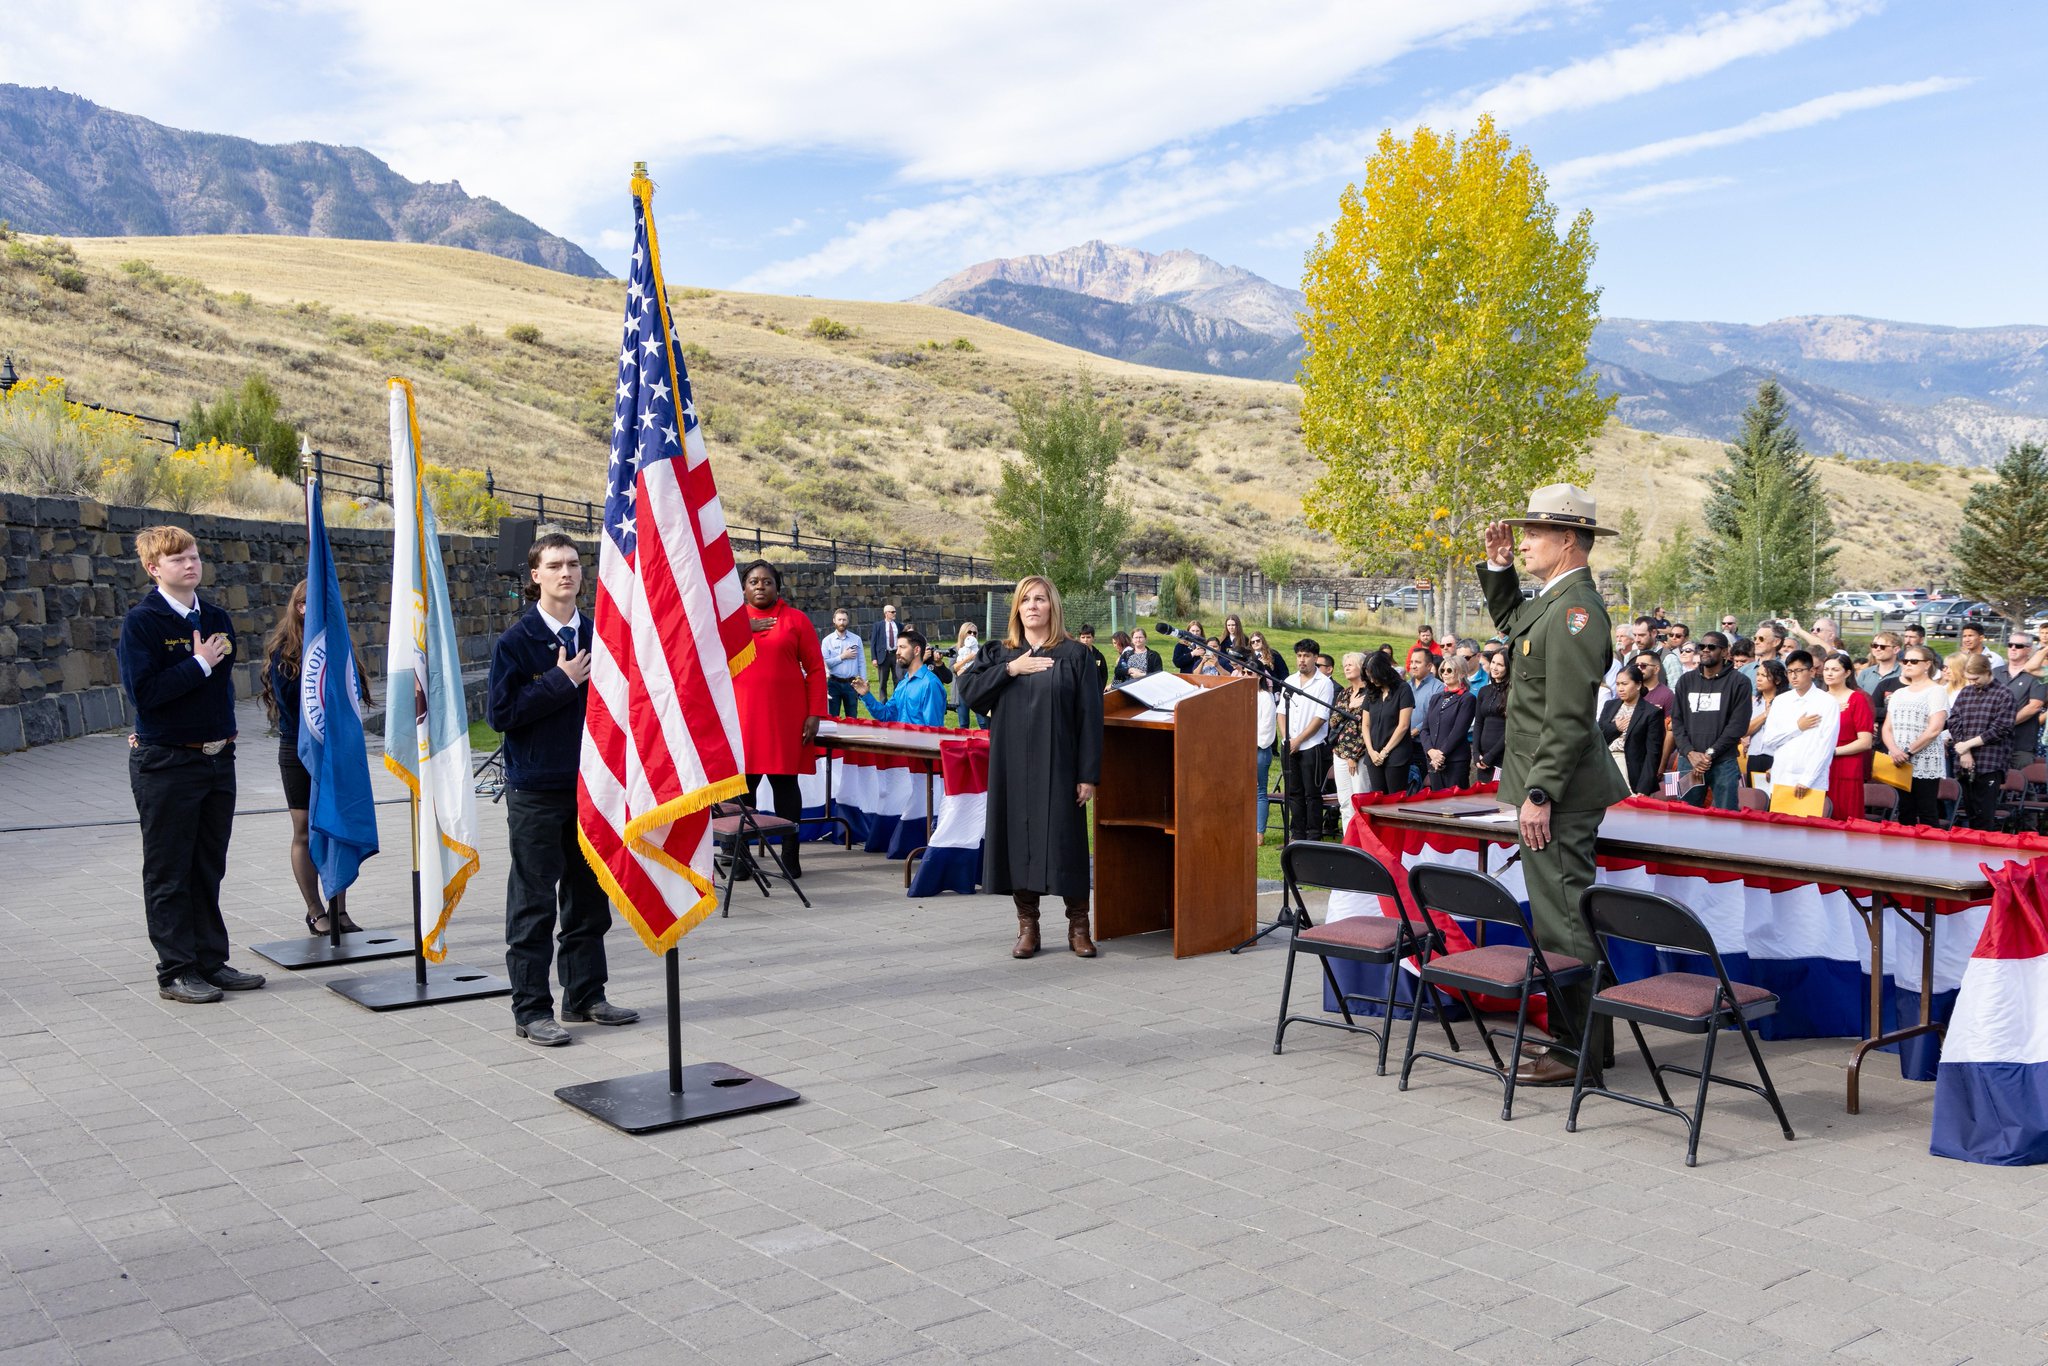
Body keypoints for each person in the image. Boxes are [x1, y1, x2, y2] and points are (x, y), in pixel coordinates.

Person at [1480, 485, 1629, 1087]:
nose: (1524, 541)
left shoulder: (1578, 613)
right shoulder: (1552, 602)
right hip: (1546, 784)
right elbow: (1513, 621)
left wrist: (1540, 793)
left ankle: (1577, 1053)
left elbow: (1567, 717)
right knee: (1561, 919)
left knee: (1563, 924)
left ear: (1569, 540)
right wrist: (1499, 569)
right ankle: (1593, 1042)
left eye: (1534, 534)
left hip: (1559, 794)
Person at [486, 532, 636, 1045]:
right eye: (554, 565)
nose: (566, 573)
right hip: (536, 791)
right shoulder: (516, 641)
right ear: (536, 575)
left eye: (573, 564)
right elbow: (501, 714)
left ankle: (585, 995)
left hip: (593, 788)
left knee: (589, 898)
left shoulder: (601, 634)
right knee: (533, 903)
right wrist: (561, 680)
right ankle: (531, 1010)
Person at [118, 525, 264, 1005]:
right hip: (167, 763)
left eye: (194, 556)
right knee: (169, 870)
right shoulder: (144, 623)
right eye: (178, 559)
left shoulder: (216, 616)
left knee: (207, 866)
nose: (190, 564)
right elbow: (147, 696)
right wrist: (198, 663)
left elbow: (219, 690)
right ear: (153, 568)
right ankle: (176, 969)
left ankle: (209, 960)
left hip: (217, 759)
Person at [959, 577, 1104, 959]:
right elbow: (969, 693)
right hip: (1012, 768)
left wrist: (1087, 775)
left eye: (1040, 599)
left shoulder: (1075, 655)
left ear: (1052, 606)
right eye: (1026, 600)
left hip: (1059, 767)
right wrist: (1012, 670)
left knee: (1066, 844)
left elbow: (1090, 717)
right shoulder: (1000, 654)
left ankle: (1079, 926)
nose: (1033, 606)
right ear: (1017, 609)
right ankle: (1028, 928)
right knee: (1018, 844)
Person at [262, 579, 365, 936]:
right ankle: (315, 909)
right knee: (305, 831)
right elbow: (294, 706)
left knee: (336, 828)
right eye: (311, 604)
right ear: (300, 607)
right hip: (298, 750)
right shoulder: (284, 651)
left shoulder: (340, 646)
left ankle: (340, 909)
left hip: (336, 751)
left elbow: (357, 695)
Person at [731, 560, 827, 877]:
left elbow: (815, 670)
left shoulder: (795, 620)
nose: (760, 586)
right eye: (754, 582)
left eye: (767, 581)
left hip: (785, 721)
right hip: (742, 720)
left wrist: (814, 714)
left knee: (786, 787)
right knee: (743, 792)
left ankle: (790, 854)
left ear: (778, 587)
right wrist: (741, 630)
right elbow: (705, 654)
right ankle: (740, 857)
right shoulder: (729, 624)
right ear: (743, 588)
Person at [1670, 631, 1752, 810]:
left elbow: (1738, 726)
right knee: (1684, 815)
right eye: (1702, 647)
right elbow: (1677, 721)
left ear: (1724, 652)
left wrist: (1709, 754)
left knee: (1726, 816)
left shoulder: (1740, 682)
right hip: (1688, 761)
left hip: (1723, 762)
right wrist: (1690, 753)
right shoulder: (1686, 680)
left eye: (1712, 647)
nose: (1705, 650)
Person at [1751, 650, 1838, 816]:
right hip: (1781, 777)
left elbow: (1826, 746)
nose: (1794, 676)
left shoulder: (1827, 702)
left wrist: (1807, 779)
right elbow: (1769, 739)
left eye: (1798, 671)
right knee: (1778, 830)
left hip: (1811, 780)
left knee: (1807, 832)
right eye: (1790, 672)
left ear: (1812, 672)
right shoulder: (1781, 701)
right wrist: (1797, 727)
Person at [1947, 652, 2018, 830]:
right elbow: (1954, 721)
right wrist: (1965, 751)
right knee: (1969, 810)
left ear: (1987, 672)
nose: (1972, 682)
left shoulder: (2004, 694)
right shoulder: (1966, 692)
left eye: (1975, 678)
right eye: (1969, 679)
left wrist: (1967, 745)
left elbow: (2001, 728)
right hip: (1965, 759)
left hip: (1990, 761)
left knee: (1984, 814)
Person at [1882, 645, 1951, 827]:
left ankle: (1931, 853)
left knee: (1927, 811)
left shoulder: (1936, 691)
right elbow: (1887, 727)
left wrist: (1908, 752)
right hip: (1898, 760)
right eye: (1905, 661)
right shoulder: (1898, 693)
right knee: (1905, 811)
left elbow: (1935, 728)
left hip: (1923, 760)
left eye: (1914, 661)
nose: (1908, 665)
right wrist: (1895, 751)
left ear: (1927, 664)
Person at [1279, 638, 1336, 842]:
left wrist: (1299, 740)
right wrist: (1287, 738)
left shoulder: (1324, 684)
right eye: (1299, 656)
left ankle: (1313, 835)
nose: (1302, 660)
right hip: (1290, 744)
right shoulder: (1290, 680)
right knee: (1294, 792)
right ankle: (1297, 833)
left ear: (1315, 658)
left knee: (1312, 794)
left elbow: (1320, 718)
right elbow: (1281, 713)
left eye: (1306, 656)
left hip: (1312, 746)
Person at [852, 628, 948, 726]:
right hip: (900, 740)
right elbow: (886, 714)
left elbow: (934, 729)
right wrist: (866, 695)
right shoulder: (903, 684)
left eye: (902, 647)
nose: (897, 652)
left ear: (916, 650)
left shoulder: (930, 684)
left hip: (918, 741)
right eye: (897, 647)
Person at [1598, 662, 1665, 797]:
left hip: (1630, 770)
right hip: (1605, 765)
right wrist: (1615, 728)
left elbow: (1653, 753)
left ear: (1639, 685)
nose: (1620, 689)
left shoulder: (1651, 712)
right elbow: (1598, 737)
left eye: (1625, 684)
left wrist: (1644, 788)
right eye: (1617, 684)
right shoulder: (1610, 705)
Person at [1822, 652, 1875, 818]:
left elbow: (1865, 742)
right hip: (1819, 764)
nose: (1829, 673)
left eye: (1835, 669)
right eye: (1826, 669)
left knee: (1844, 814)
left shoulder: (1857, 699)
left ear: (1847, 673)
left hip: (1846, 764)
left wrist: (1834, 751)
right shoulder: (1818, 699)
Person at [1416, 654, 1476, 792]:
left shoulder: (1467, 699)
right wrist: (1431, 751)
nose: (1445, 673)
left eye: (1449, 670)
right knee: (1437, 806)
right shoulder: (1436, 698)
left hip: (1455, 760)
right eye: (1442, 670)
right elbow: (1425, 729)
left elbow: (1459, 731)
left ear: (1460, 672)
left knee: (1455, 805)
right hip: (1433, 761)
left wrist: (1440, 754)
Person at [1327, 652, 1371, 812]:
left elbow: (1367, 728)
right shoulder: (1344, 693)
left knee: (1360, 802)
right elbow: (1333, 722)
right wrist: (1349, 707)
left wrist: (1353, 755)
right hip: (1339, 753)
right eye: (1345, 665)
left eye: (1350, 664)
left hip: (1359, 755)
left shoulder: (1370, 693)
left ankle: (1361, 837)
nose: (1346, 667)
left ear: (1361, 667)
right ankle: (1349, 837)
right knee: (1345, 804)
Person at [1741, 660, 1788, 783]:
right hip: (1754, 756)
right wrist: (1766, 714)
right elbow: (1745, 730)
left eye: (1764, 675)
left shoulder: (1786, 702)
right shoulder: (1754, 702)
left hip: (1776, 757)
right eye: (1758, 675)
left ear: (1777, 680)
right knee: (1755, 798)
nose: (1759, 679)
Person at [2005, 631, 2045, 765]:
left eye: (2018, 645)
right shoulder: (1995, 672)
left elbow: (2035, 706)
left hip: (2023, 743)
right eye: (2010, 644)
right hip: (1997, 743)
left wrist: (2003, 724)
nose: (2013, 648)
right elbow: (2030, 667)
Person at [1471, 647, 1509, 785]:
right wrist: (1475, 753)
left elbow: (1510, 730)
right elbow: (1479, 723)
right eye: (1493, 662)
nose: (1494, 667)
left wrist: (1491, 756)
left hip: (1501, 758)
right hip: (1482, 757)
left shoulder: (1513, 692)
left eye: (1500, 664)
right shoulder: (1484, 691)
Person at [820, 609, 865, 719]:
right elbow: (824, 664)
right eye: (839, 619)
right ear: (834, 621)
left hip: (851, 684)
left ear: (848, 621)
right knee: (833, 717)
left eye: (844, 619)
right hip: (834, 683)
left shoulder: (856, 639)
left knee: (852, 717)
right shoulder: (827, 641)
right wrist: (842, 656)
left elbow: (861, 662)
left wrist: (863, 681)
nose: (842, 622)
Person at [951, 621, 983, 727]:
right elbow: (953, 669)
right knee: (963, 723)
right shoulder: (955, 649)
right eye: (970, 632)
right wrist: (968, 659)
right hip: (961, 689)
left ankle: (988, 743)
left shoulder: (980, 649)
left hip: (977, 688)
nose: (972, 635)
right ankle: (964, 743)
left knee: (983, 722)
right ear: (963, 633)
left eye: (975, 633)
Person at [869, 603, 901, 700]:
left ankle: (896, 700)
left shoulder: (899, 625)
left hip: (896, 655)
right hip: (884, 656)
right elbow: (873, 643)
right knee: (883, 681)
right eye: (892, 612)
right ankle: (883, 702)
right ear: (886, 613)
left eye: (895, 611)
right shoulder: (878, 626)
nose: (894, 613)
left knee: (898, 679)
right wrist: (874, 658)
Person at [1074, 623, 1110, 692]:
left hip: (1095, 692)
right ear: (1079, 638)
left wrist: (1099, 690)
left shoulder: (1099, 656)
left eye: (1088, 637)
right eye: (1083, 637)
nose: (1085, 640)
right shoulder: (1074, 656)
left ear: (1093, 638)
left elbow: (1104, 675)